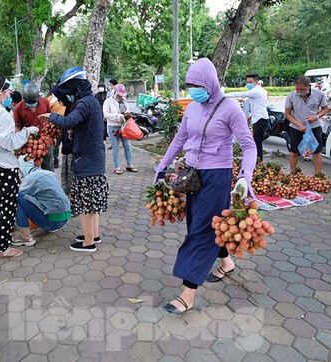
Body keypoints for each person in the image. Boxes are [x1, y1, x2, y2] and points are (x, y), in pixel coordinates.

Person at [154, 58, 257, 315]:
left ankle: (187, 294)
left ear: (210, 83)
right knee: (201, 224)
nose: (192, 89)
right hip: (192, 176)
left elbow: (248, 145)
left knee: (201, 232)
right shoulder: (193, 107)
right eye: (189, 84)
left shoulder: (230, 109)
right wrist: (163, 166)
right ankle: (226, 263)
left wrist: (245, 176)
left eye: (197, 84)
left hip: (217, 176)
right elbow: (181, 137)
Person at [38, 66, 109, 253]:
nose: (68, 95)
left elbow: (69, 121)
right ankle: (93, 235)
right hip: (95, 157)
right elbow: (82, 126)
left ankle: (88, 243)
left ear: (76, 87)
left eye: (69, 90)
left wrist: (51, 116)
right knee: (92, 203)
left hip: (87, 159)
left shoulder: (84, 103)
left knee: (86, 204)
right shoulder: (91, 101)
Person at [0, 75, 40, 258]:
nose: (10, 94)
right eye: (8, 90)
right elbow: (8, 142)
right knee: (7, 208)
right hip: (5, 168)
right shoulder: (3, 115)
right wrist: (27, 132)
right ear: (0, 92)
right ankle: (2, 248)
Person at [12, 159, 72, 247]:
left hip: (52, 222)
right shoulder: (49, 173)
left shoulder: (31, 178)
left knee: (15, 196)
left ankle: (25, 236)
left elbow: (19, 196)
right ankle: (50, 225)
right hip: (64, 218)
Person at [285, 76, 331, 174]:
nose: (299, 91)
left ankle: (318, 175)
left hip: (314, 127)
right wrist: (299, 125)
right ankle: (293, 174)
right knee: (294, 151)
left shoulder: (319, 95)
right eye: (297, 89)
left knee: (316, 151)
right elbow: (287, 114)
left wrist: (316, 117)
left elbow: (326, 109)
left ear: (309, 86)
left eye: (302, 89)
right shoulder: (291, 96)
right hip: (296, 128)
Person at [226, 74, 269, 162]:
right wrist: (251, 116)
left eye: (250, 82)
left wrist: (222, 95)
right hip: (258, 117)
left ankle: (258, 161)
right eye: (247, 82)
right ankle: (257, 161)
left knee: (257, 142)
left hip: (261, 119)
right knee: (256, 141)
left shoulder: (256, 91)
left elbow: (240, 94)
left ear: (256, 82)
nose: (248, 84)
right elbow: (258, 105)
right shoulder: (258, 90)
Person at [13, 83, 54, 171]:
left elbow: (50, 118)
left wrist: (51, 136)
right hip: (28, 141)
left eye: (34, 102)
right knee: (29, 168)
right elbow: (17, 127)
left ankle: (50, 183)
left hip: (44, 139)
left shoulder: (45, 102)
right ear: (24, 99)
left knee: (48, 166)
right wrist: (17, 144)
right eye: (30, 103)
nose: (32, 105)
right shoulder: (17, 109)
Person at [104, 84, 138, 174]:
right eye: (119, 94)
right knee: (115, 147)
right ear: (114, 92)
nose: (120, 96)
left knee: (127, 145)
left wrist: (127, 115)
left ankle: (129, 164)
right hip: (113, 127)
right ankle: (117, 166)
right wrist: (118, 117)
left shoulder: (124, 102)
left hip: (123, 127)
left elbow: (127, 111)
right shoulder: (108, 101)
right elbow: (106, 114)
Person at [50, 85, 75, 196]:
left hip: (73, 149)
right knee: (66, 181)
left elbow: (68, 123)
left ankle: (74, 204)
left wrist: (52, 118)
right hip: (66, 148)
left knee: (72, 179)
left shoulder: (74, 107)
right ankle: (68, 202)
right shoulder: (68, 107)